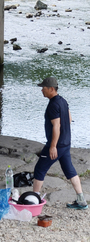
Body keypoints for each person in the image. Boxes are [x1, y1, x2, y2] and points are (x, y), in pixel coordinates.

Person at [33, 77, 87, 210]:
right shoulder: (63, 101)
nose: (42, 90)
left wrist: (53, 146)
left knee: (39, 170)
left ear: (51, 89)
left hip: (57, 145)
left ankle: (33, 200)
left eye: (44, 88)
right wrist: (63, 138)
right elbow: (69, 119)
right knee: (70, 171)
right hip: (66, 143)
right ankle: (81, 200)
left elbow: (56, 126)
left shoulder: (53, 105)